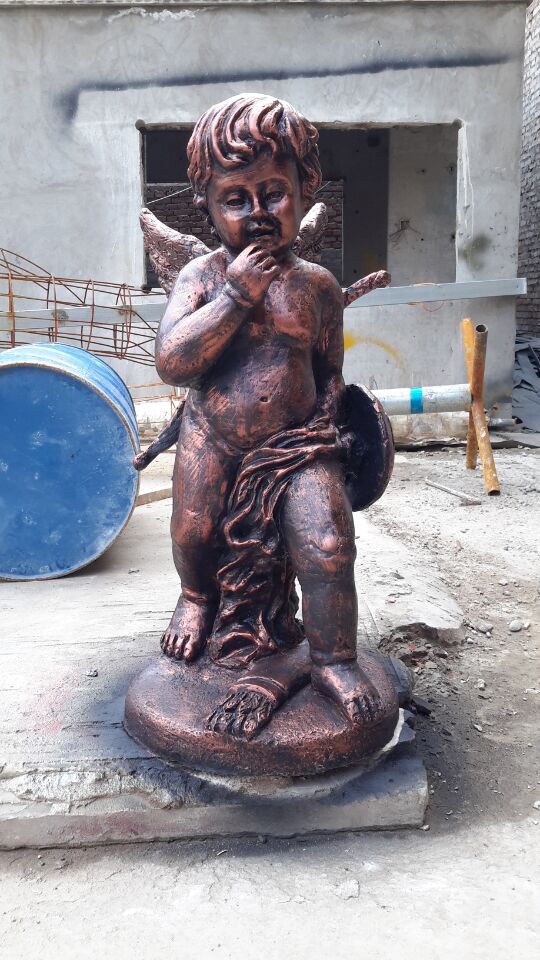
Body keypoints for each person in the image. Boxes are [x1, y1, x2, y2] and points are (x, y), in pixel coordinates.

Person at [155, 94, 384, 738]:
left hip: (296, 447)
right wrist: (235, 296)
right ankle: (196, 598)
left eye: (274, 193)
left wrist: (331, 419)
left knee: (329, 545)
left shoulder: (317, 286)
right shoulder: (202, 277)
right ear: (205, 204)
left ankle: (334, 659)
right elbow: (172, 360)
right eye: (236, 199)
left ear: (304, 192)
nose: (258, 212)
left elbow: (328, 368)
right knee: (193, 530)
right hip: (213, 437)